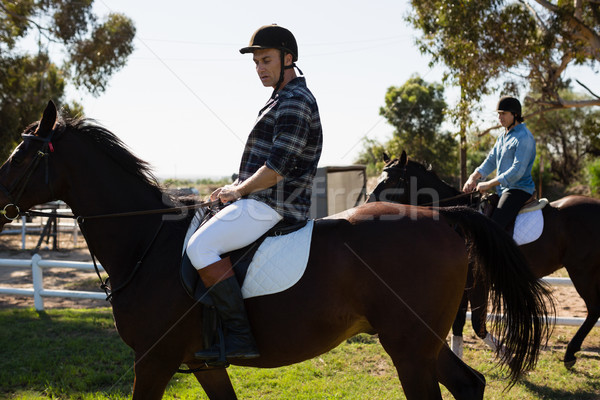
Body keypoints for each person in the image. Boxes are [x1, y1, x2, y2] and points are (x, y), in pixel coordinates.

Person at [187, 24, 323, 362]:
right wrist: (234, 189)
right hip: (261, 199)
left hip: (275, 203)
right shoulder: (279, 99)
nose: (260, 69)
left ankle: (238, 336)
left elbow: (277, 168)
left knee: (200, 246)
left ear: (288, 59)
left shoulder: (295, 100)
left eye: (266, 60)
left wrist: (238, 190)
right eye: (256, 63)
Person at [462, 96, 536, 230]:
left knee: (494, 229)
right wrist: (473, 177)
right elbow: (490, 160)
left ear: (515, 114)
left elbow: (517, 171)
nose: (500, 117)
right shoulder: (502, 137)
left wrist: (489, 183)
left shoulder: (524, 137)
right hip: (503, 190)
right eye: (499, 114)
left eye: (504, 114)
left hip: (518, 190)